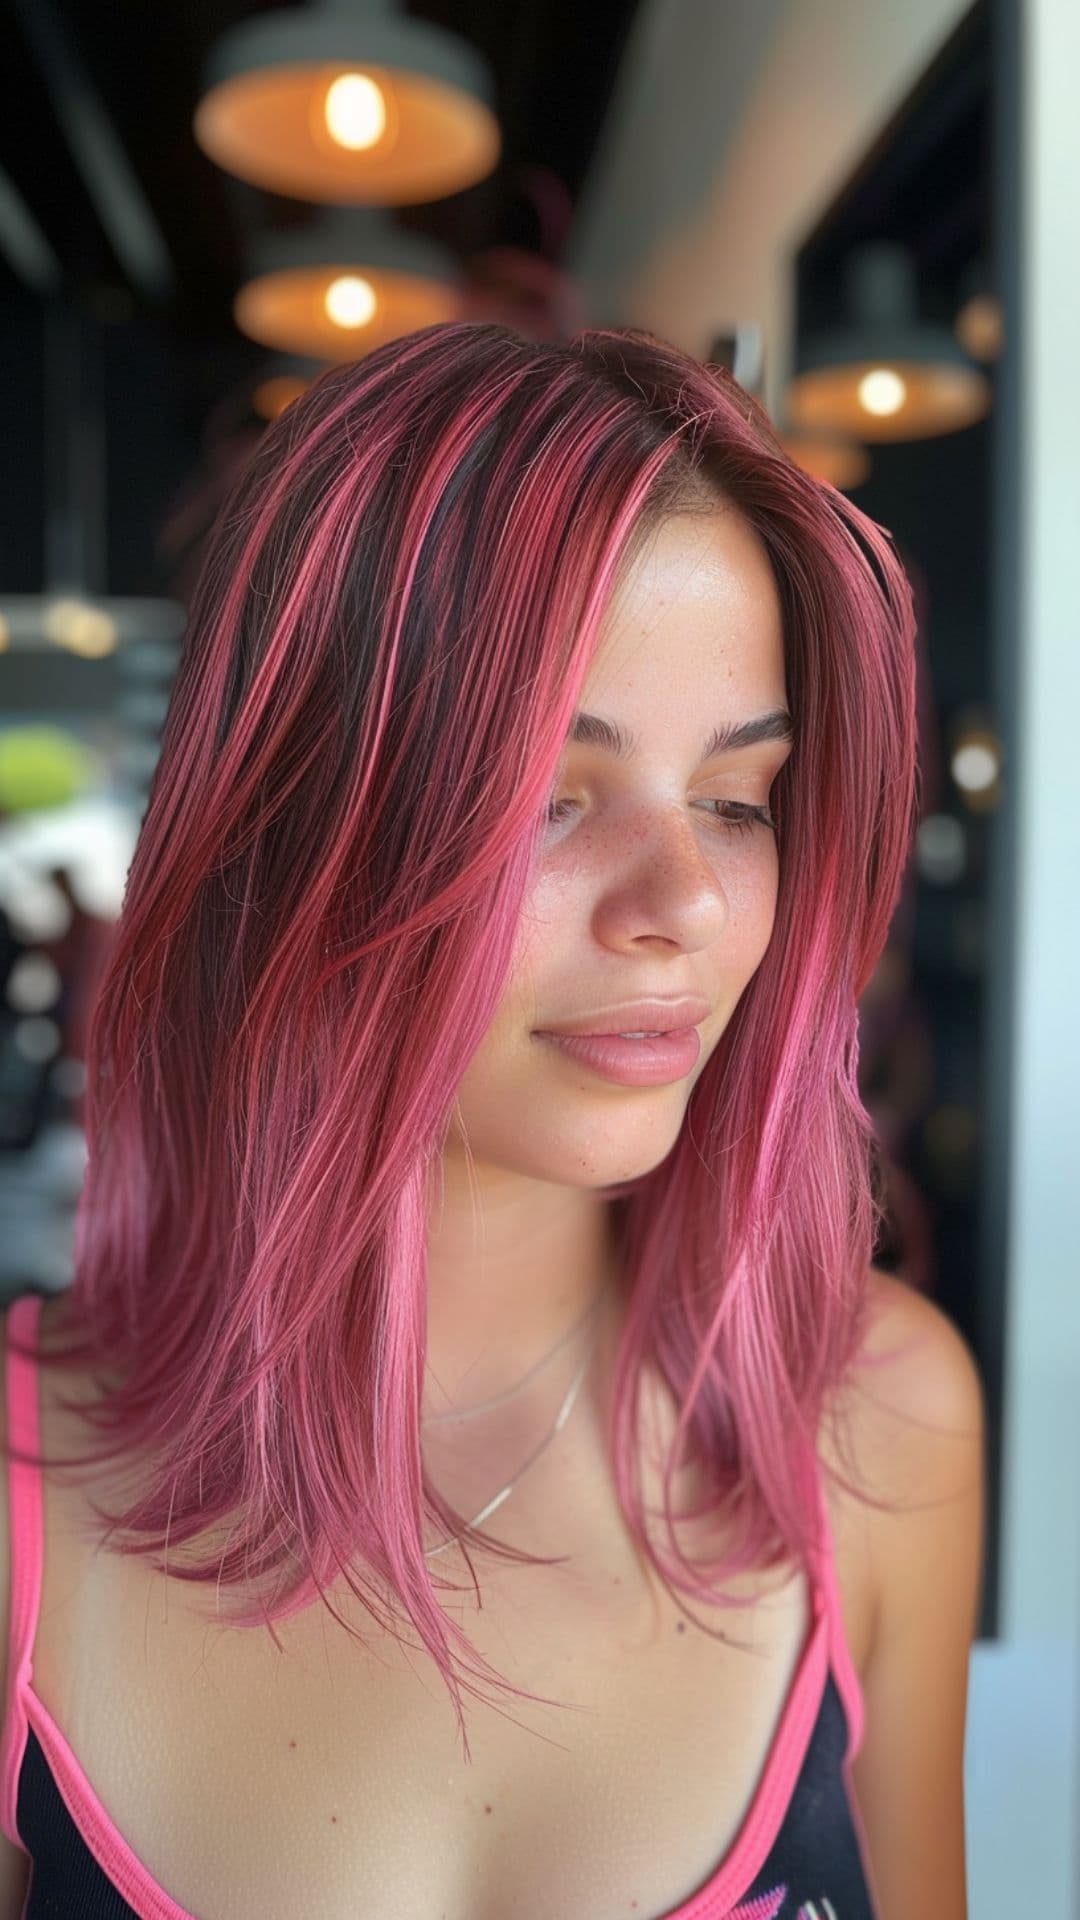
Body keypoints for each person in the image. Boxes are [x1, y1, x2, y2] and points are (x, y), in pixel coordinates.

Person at [0, 322, 984, 1920]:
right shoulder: (23, 1496)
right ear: (291, 819)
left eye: (741, 800)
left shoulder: (880, 1428)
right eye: (547, 794)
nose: (683, 905)